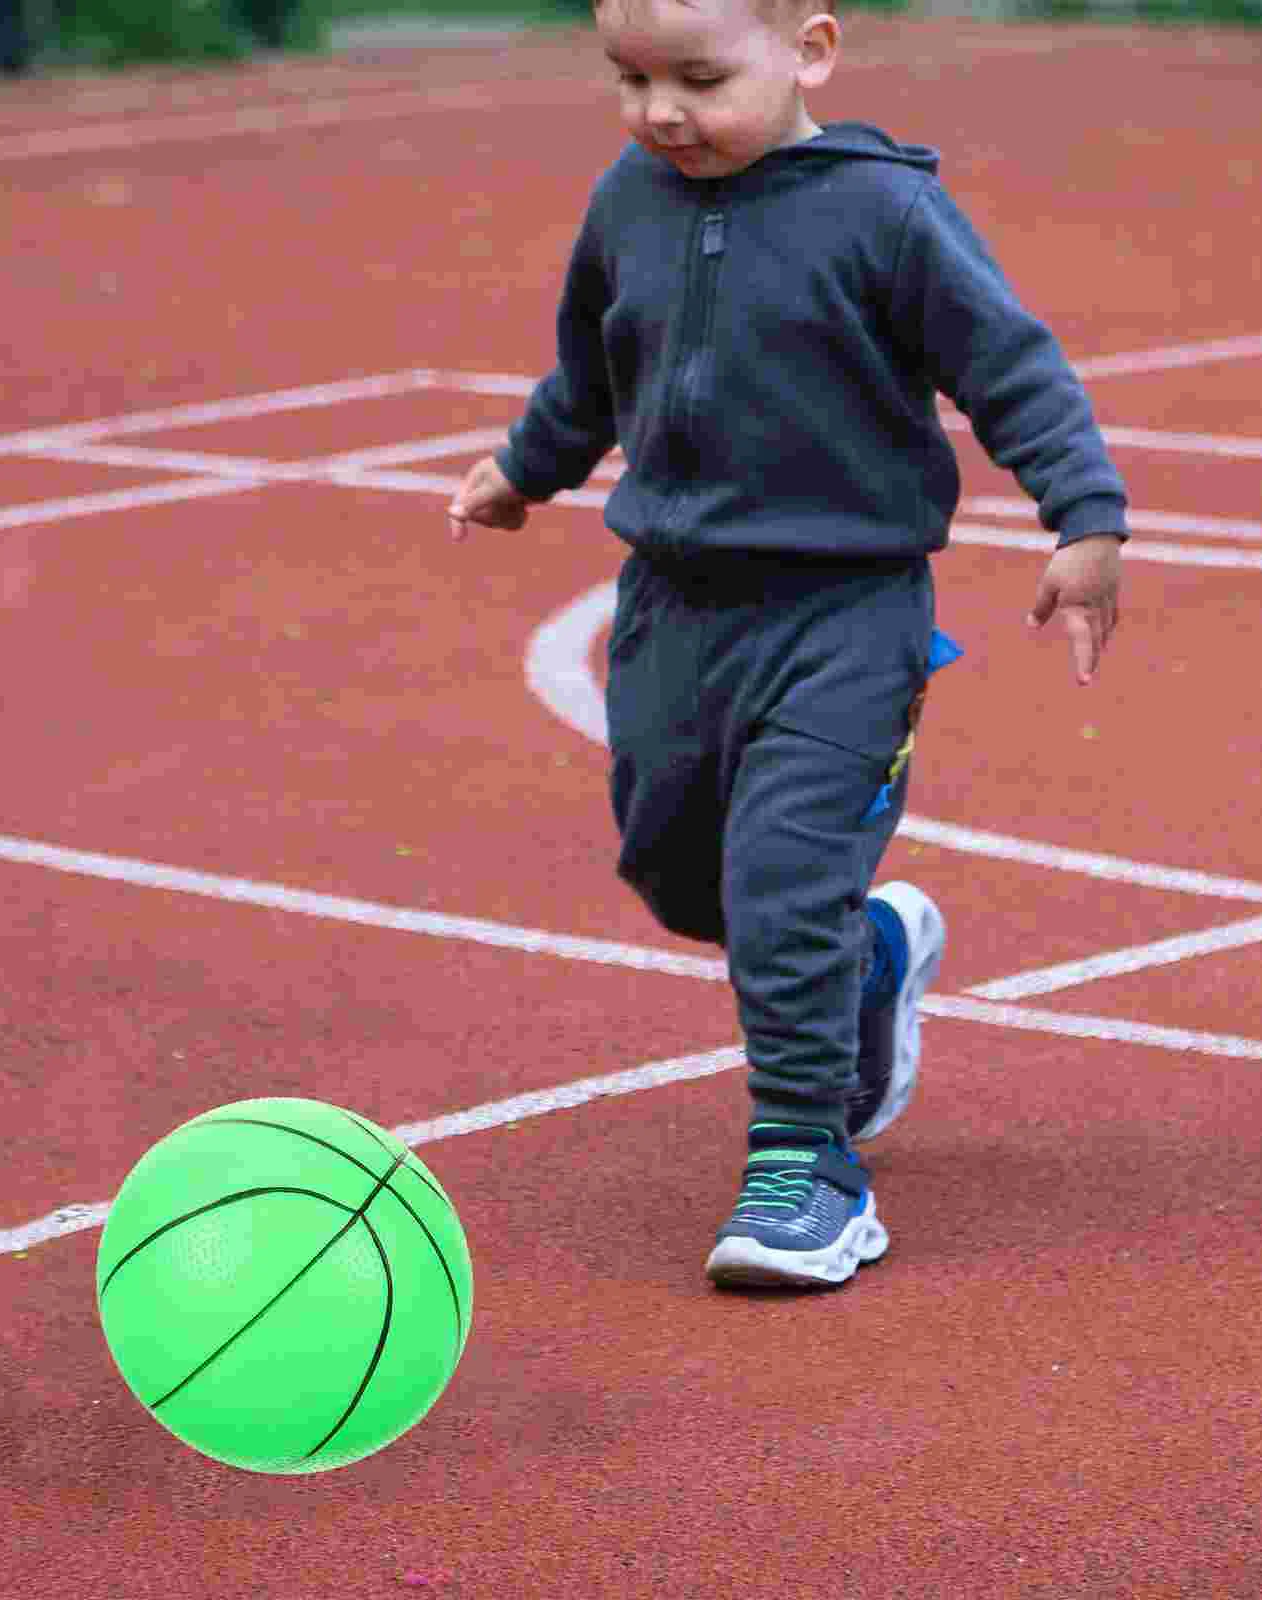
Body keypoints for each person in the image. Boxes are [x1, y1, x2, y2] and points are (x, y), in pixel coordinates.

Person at [448, 0, 1126, 1289]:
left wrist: (1084, 519)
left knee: (781, 885)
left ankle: (807, 1162)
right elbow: (592, 374)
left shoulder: (885, 214)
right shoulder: (627, 203)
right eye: (631, 78)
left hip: (848, 614)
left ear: (810, 52)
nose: (661, 110)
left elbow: (1014, 370)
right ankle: (868, 960)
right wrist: (523, 471)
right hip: (674, 610)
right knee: (680, 877)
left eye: (699, 78)